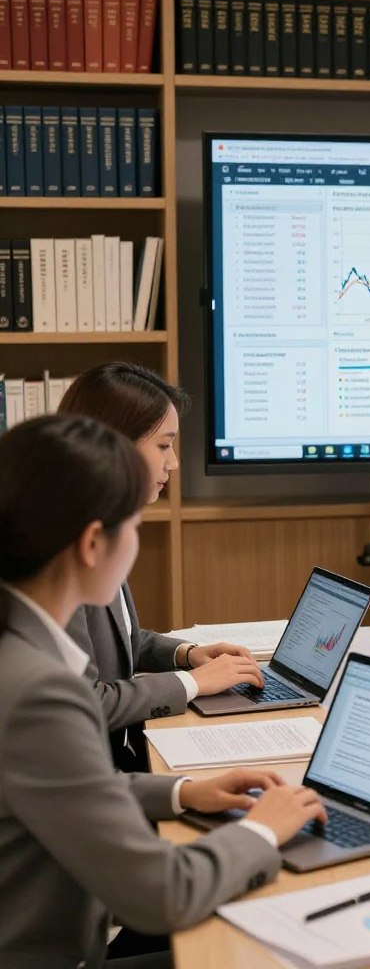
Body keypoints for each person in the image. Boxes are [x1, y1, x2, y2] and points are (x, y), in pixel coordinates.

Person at [0, 415, 327, 969]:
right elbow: (163, 895)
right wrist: (262, 832)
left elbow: (65, 791)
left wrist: (181, 794)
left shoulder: (22, 650)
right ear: (93, 544)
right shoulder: (38, 691)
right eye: (135, 527)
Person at [59, 362, 264, 771]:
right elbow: (88, 700)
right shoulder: (65, 549)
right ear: (115, 444)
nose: (173, 463)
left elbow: (120, 641)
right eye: (163, 445)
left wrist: (189, 656)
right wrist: (193, 684)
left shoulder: (100, 521)